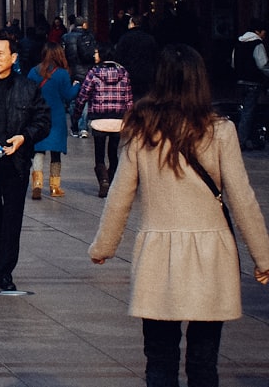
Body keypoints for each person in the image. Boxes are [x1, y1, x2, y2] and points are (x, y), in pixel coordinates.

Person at [90, 45, 269, 387]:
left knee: (159, 359)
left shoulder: (141, 130)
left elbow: (120, 196)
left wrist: (104, 246)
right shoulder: (220, 130)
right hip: (211, 253)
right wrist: (263, 258)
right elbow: (243, 198)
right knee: (203, 362)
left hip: (157, 253)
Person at [0, 35, 50, 292]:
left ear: (13, 58)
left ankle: (4, 271)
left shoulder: (28, 88)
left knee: (11, 219)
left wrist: (24, 137)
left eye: (1, 54)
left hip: (15, 162)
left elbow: (43, 120)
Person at [71, 42, 133, 197]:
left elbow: (83, 95)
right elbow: (129, 98)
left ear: (103, 55)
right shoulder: (123, 72)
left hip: (99, 119)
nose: (94, 55)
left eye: (97, 53)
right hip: (118, 120)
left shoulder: (93, 73)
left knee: (99, 155)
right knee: (113, 153)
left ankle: (103, 181)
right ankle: (112, 182)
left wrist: (76, 115)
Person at [27, 44, 78, 200]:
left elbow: (27, 93)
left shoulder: (33, 72)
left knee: (39, 150)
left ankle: (37, 184)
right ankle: (55, 187)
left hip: (38, 116)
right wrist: (77, 86)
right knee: (56, 153)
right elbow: (68, 96)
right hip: (56, 117)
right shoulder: (62, 74)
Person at [233, 19, 269, 149]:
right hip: (253, 82)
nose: (265, 35)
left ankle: (244, 138)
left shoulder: (239, 42)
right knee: (249, 111)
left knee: (243, 110)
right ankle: (242, 140)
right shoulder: (257, 44)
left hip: (240, 81)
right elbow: (262, 64)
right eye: (264, 32)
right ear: (258, 31)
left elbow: (233, 62)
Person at [115, 14, 159, 100]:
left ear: (132, 24)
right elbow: (155, 57)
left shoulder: (124, 38)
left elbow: (118, 57)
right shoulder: (150, 39)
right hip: (146, 74)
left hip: (129, 73)